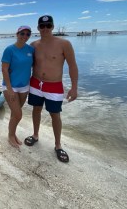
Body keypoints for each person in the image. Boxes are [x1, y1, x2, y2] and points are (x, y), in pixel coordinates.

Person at [24, 15, 78, 163]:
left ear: (53, 27)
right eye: (42, 26)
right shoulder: (33, 45)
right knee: (36, 109)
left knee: (55, 114)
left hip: (54, 85)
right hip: (35, 83)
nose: (45, 29)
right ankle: (35, 135)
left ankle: (58, 145)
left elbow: (72, 66)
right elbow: (24, 64)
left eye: (48, 26)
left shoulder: (64, 44)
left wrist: (74, 88)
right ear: (38, 28)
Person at [1, 25, 34, 150]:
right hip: (11, 87)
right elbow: (4, 69)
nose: (25, 36)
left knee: (15, 114)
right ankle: (10, 136)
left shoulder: (31, 49)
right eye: (22, 33)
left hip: (24, 87)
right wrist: (9, 89)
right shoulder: (9, 50)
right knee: (18, 114)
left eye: (27, 34)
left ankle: (13, 133)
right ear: (17, 34)